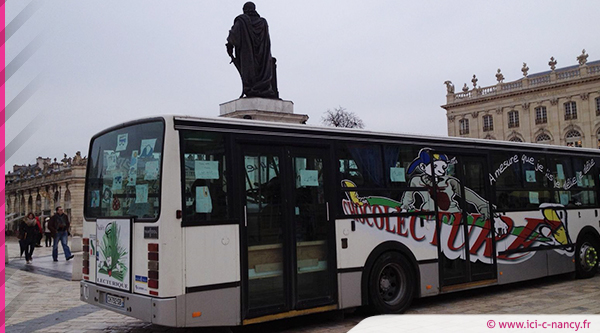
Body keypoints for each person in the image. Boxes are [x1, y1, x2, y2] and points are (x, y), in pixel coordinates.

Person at [226, 2, 278, 98]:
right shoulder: (263, 22)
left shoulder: (242, 21)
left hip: (248, 55)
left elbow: (233, 35)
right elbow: (267, 41)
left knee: (249, 73)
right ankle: (263, 89)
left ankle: (251, 89)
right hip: (263, 56)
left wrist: (230, 46)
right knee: (262, 72)